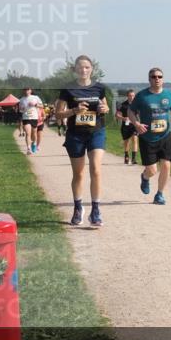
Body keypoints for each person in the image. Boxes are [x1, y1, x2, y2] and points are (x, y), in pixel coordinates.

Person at [53, 55, 109, 226]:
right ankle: (78, 207)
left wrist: (104, 109)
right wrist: (74, 111)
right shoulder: (68, 89)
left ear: (92, 69)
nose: (83, 70)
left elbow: (106, 107)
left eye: (87, 67)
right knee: (78, 174)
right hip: (75, 134)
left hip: (96, 132)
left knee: (96, 169)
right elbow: (58, 114)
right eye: (80, 67)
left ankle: (96, 210)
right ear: (75, 69)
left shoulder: (99, 88)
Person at [129, 69, 171, 206]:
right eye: (153, 76)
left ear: (163, 79)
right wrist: (136, 124)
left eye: (159, 76)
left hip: (165, 135)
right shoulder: (142, 96)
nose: (157, 79)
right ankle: (145, 177)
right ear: (149, 79)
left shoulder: (169, 94)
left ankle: (159, 194)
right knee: (152, 170)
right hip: (147, 137)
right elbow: (130, 111)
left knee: (167, 165)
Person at [17, 87, 44, 155]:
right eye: (25, 90)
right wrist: (22, 108)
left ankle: (34, 143)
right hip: (26, 118)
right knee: (27, 133)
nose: (26, 91)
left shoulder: (35, 97)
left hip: (34, 117)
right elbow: (20, 110)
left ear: (30, 90)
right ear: (23, 91)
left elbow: (42, 106)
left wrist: (35, 105)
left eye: (27, 89)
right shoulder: (21, 99)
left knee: (34, 133)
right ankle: (28, 149)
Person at [117, 89, 140, 165]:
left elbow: (140, 114)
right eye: (130, 96)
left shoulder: (137, 105)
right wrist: (123, 118)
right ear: (127, 96)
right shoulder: (123, 105)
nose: (132, 97)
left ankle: (133, 159)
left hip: (135, 125)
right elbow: (117, 115)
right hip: (126, 126)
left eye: (133, 96)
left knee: (135, 139)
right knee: (126, 142)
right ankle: (126, 156)